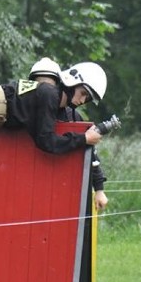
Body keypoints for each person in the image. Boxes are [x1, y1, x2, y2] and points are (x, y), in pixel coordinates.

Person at [29, 58, 109, 212]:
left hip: (60, 188)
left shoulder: (73, 117)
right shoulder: (26, 111)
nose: (44, 87)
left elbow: (91, 155)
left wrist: (99, 188)